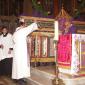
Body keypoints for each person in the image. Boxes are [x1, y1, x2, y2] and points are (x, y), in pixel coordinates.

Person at [12, 18, 38, 85]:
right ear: (23, 25)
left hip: (16, 51)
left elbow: (15, 41)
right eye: (25, 24)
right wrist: (34, 23)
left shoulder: (15, 32)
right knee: (21, 64)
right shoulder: (22, 31)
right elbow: (30, 27)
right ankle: (21, 79)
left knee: (17, 64)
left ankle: (17, 77)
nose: (25, 26)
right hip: (21, 51)